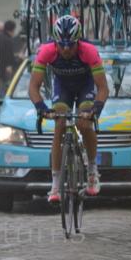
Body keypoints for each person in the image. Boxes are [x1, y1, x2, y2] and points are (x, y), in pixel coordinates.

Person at [29, 15, 109, 202]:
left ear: (78, 41)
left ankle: (91, 171)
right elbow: (33, 87)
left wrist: (95, 110)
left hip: (85, 86)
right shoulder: (46, 51)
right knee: (59, 124)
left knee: (84, 123)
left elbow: (103, 88)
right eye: (61, 44)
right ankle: (55, 184)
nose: (65, 49)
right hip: (62, 87)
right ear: (55, 41)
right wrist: (42, 108)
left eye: (70, 45)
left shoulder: (89, 51)